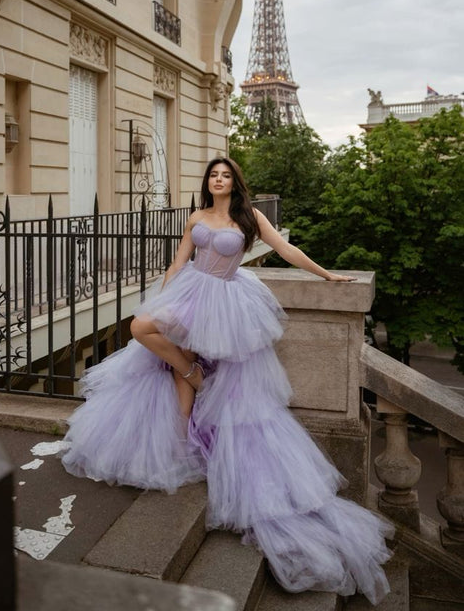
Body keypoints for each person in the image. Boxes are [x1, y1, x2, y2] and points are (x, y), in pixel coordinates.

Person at [61, 157, 394, 605]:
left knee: (188, 359)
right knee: (142, 330)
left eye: (225, 176)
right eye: (213, 176)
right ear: (208, 183)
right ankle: (192, 379)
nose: (218, 180)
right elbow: (180, 262)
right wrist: (162, 299)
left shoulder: (248, 217)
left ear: (234, 183)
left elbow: (285, 250)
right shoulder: (196, 216)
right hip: (191, 291)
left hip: (227, 301)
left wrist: (326, 273)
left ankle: (187, 405)